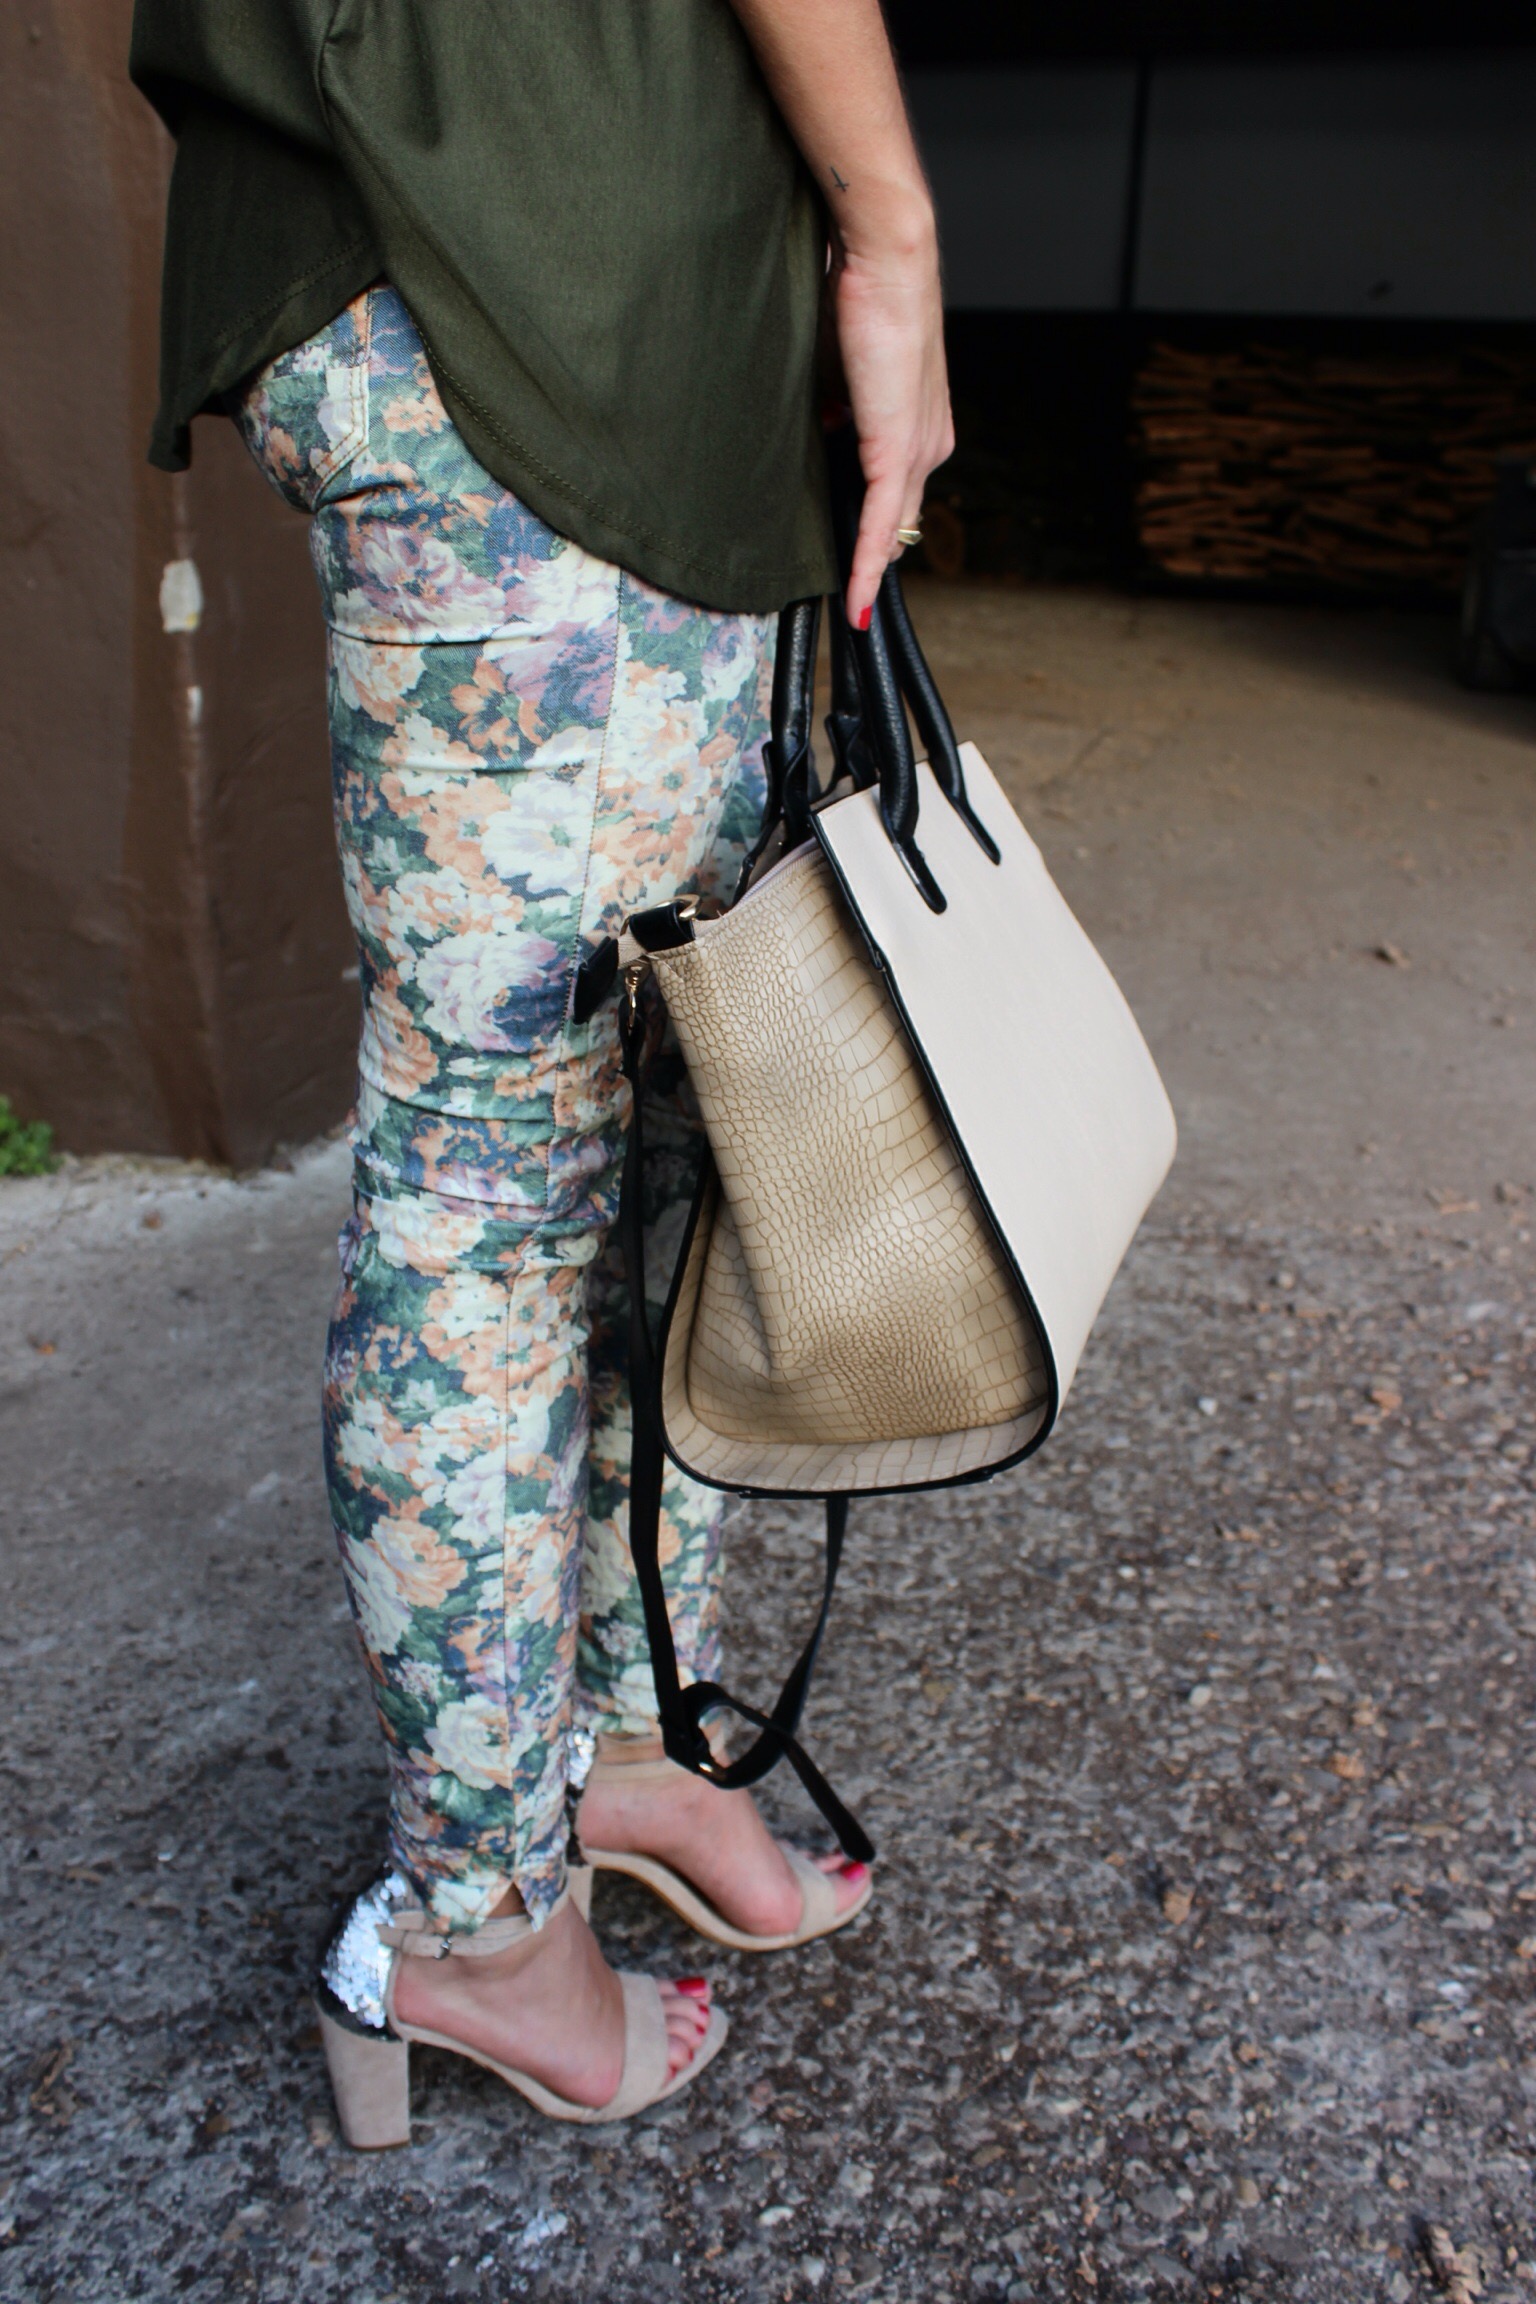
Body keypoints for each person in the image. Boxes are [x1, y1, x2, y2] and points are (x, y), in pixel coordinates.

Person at [131, 0, 953, 2136]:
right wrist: (888, 225)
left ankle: (624, 1743)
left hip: (617, 309)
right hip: (516, 279)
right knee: (496, 1158)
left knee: (687, 1101)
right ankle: (479, 1932)